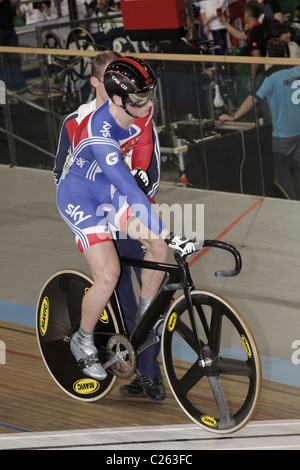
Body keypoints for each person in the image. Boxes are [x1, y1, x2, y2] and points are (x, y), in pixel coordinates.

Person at [56, 56, 196, 391]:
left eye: (148, 95)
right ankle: (83, 339)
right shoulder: (98, 131)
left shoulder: (140, 109)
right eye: (138, 98)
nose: (147, 103)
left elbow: (145, 146)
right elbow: (131, 191)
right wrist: (170, 231)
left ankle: (146, 321)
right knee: (109, 277)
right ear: (117, 98)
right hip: (80, 197)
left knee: (158, 247)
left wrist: (163, 234)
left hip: (109, 189)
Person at [219, 38, 300, 200]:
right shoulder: (297, 69)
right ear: (285, 53)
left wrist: (233, 116)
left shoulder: (270, 77)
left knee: (281, 170)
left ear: (268, 55)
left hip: (283, 134)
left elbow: (252, 99)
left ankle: (292, 202)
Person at [0, 0, 27, 92]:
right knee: (2, 61)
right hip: (2, 30)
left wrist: (16, 5)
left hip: (9, 29)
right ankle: (5, 87)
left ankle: (19, 85)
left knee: (14, 58)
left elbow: (17, 14)